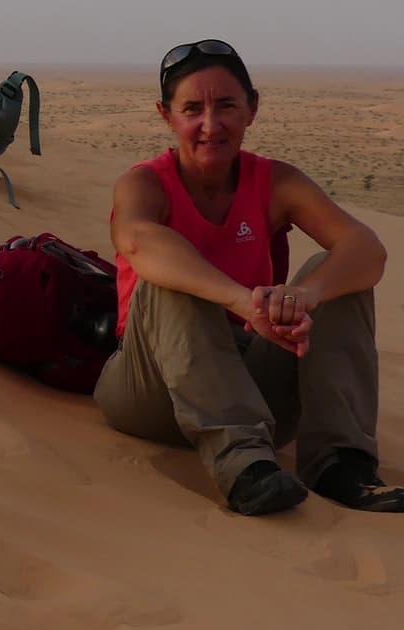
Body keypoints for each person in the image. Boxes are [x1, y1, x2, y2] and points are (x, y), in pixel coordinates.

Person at [97, 41, 396, 516]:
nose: (210, 125)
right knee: (172, 275)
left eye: (227, 106)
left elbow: (368, 250)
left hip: (248, 380)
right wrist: (243, 303)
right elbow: (138, 242)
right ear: (166, 115)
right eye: (192, 109)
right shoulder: (144, 184)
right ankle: (244, 468)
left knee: (333, 271)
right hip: (151, 385)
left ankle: (343, 463)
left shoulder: (275, 181)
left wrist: (303, 296)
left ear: (252, 108)